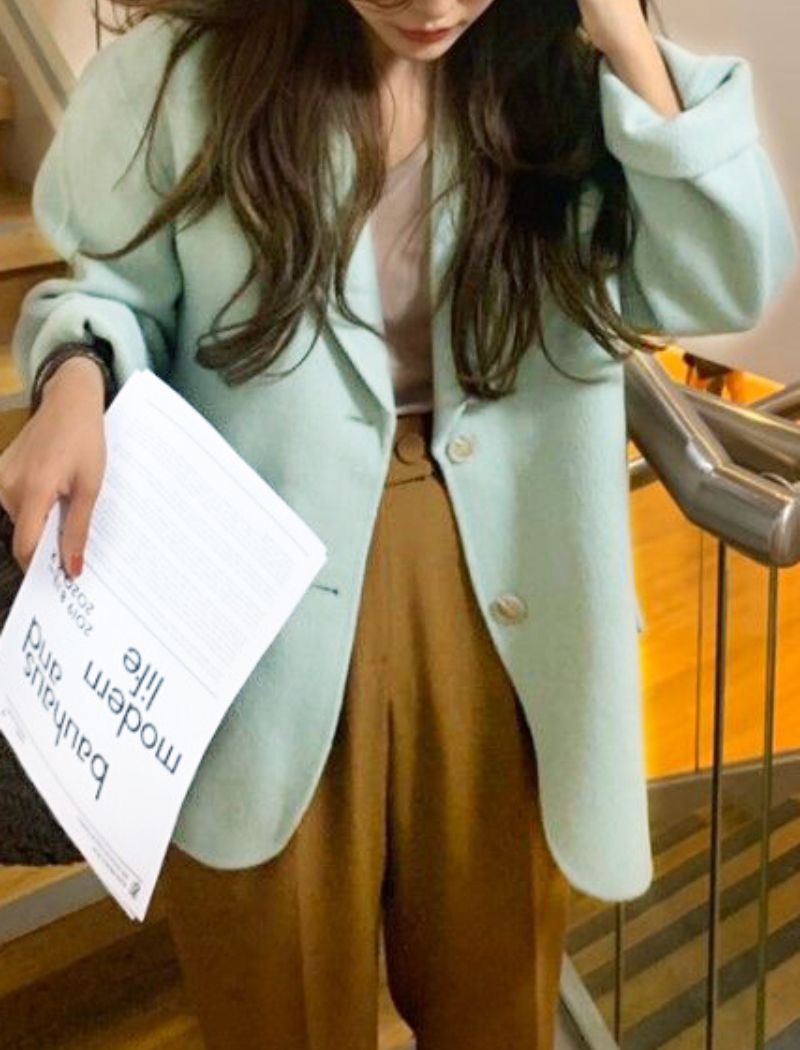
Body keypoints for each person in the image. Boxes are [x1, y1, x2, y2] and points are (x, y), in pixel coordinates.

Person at [1, 1, 796, 1047]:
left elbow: (725, 274)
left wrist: (623, 37)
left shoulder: (559, 75)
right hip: (251, 593)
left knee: (497, 995)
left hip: (504, 575)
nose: (431, 5)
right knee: (277, 993)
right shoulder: (179, 78)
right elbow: (106, 292)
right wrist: (73, 376)